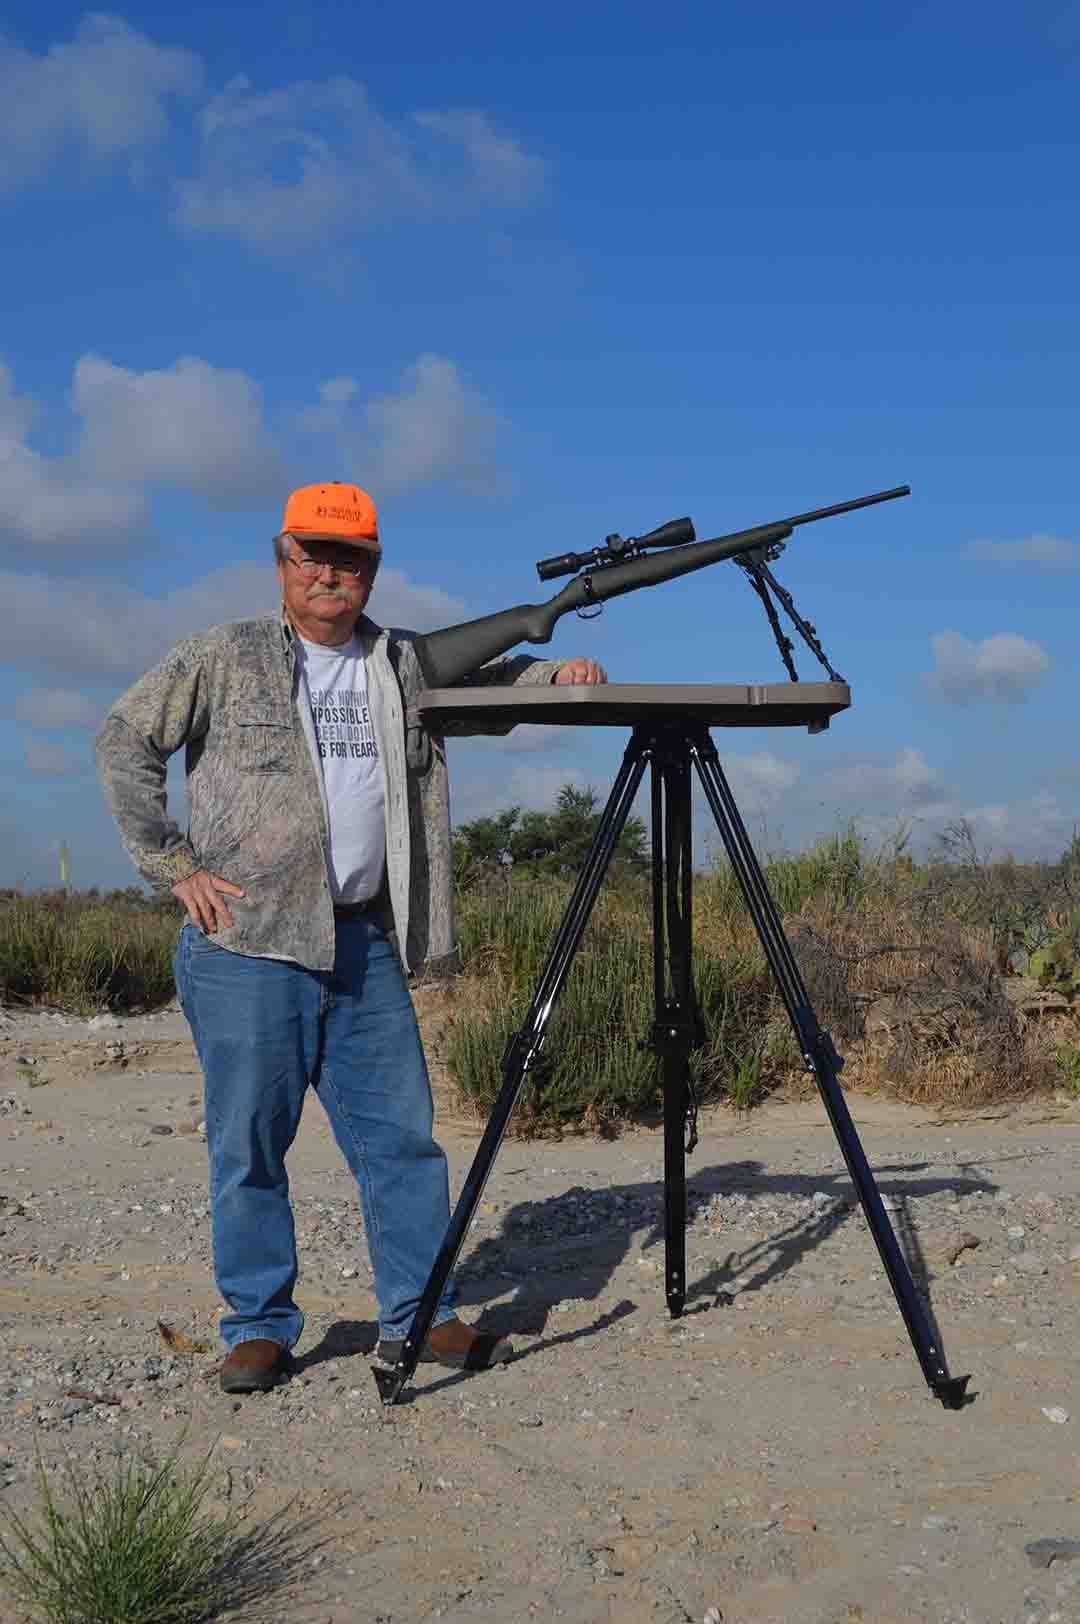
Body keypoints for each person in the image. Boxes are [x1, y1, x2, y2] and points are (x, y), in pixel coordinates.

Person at [96, 482, 606, 1394]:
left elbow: (487, 691)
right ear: (283, 561)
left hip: (365, 944)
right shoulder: (220, 654)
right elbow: (123, 739)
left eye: (352, 558)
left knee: (403, 1140)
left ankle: (424, 1317)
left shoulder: (408, 659)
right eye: (313, 555)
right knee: (249, 1145)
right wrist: (172, 864)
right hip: (247, 944)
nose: (331, 573)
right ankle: (258, 1326)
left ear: (374, 568)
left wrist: (555, 676)